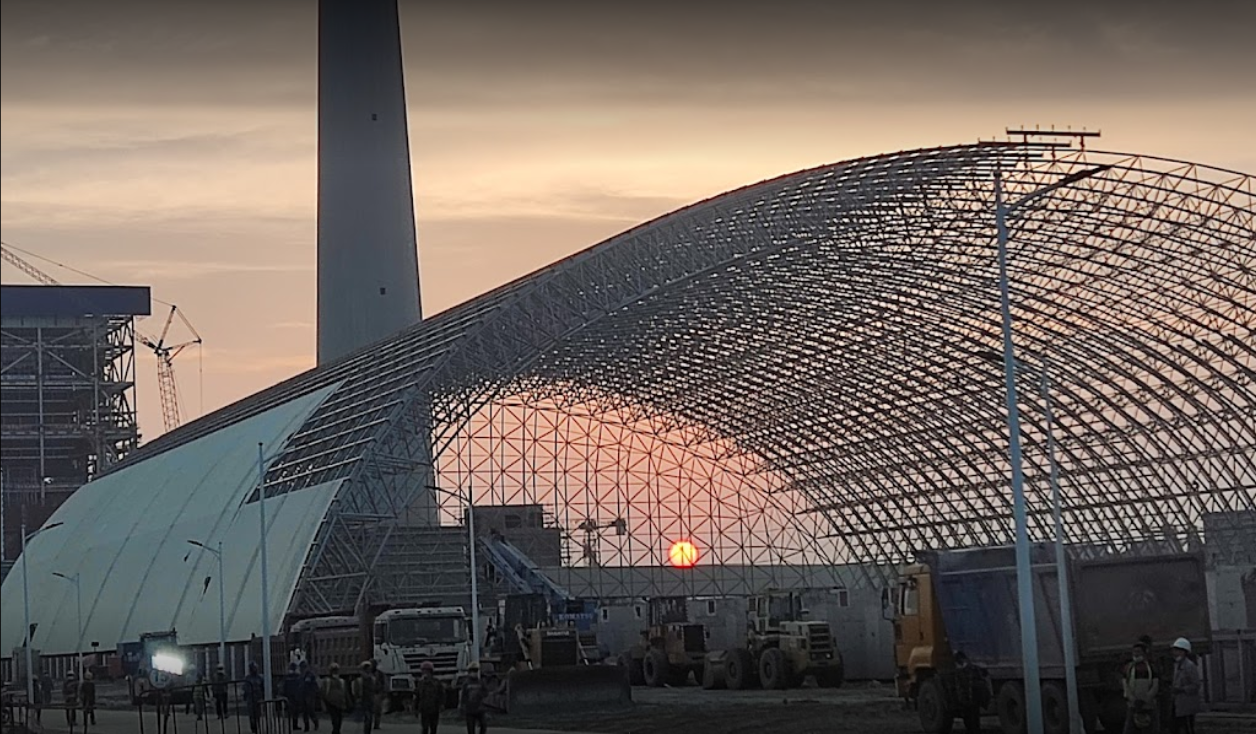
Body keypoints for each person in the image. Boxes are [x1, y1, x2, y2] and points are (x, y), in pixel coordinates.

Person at [1123, 640, 1160, 733]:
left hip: (1149, 706)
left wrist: (1146, 699)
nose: (1136, 654)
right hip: (1133, 706)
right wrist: (1133, 699)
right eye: (1134, 652)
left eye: (1138, 652)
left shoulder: (1152, 667)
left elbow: (1155, 685)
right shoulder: (1128, 668)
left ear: (1144, 653)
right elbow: (1125, 685)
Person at [952, 652, 990, 734]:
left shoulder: (960, 672)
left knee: (969, 719)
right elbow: (984, 675)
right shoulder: (975, 668)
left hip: (967, 699)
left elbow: (960, 687)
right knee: (975, 717)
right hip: (975, 698)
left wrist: (962, 699)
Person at [1169, 638, 1202, 734]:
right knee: (1174, 727)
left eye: (1177, 651)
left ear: (1184, 652)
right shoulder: (1177, 665)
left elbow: (1196, 685)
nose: (1175, 653)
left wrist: (1181, 689)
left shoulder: (1190, 666)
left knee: (1188, 728)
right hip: (1178, 703)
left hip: (1187, 704)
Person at [414, 661, 445, 734]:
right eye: (423, 671)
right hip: (424, 709)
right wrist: (416, 709)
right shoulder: (420, 683)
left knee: (433, 728)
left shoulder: (436, 682)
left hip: (434, 709)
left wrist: (441, 704)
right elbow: (417, 696)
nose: (425, 673)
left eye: (426, 671)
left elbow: (442, 694)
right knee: (424, 728)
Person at [460, 663, 489, 734]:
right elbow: (463, 696)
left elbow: (486, 692)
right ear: (469, 672)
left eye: (476, 671)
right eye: (473, 671)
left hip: (480, 708)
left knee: (484, 725)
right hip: (470, 710)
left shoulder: (481, 682)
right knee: (471, 729)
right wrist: (462, 707)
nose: (475, 673)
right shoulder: (466, 683)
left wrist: (481, 695)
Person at [320, 663, 349, 734]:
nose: (335, 672)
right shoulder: (327, 681)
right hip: (331, 703)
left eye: (336, 670)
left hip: (340, 703)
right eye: (333, 670)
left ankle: (337, 731)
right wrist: (324, 703)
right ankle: (335, 731)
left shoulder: (341, 681)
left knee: (339, 719)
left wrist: (347, 702)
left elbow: (345, 692)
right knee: (335, 719)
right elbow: (323, 692)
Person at [351, 661, 377, 733]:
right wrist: (357, 699)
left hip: (370, 701)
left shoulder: (373, 679)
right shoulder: (359, 680)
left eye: (369, 668)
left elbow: (375, 689)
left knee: (369, 718)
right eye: (367, 668)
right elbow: (355, 691)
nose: (368, 670)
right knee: (366, 718)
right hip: (362, 701)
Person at [244, 661, 265, 734]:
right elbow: (245, 688)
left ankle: (257, 726)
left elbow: (262, 687)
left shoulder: (260, 677)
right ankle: (253, 727)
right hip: (250, 698)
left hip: (258, 698)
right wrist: (245, 696)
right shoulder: (247, 678)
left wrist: (263, 696)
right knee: (251, 714)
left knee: (258, 714)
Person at [299, 660, 320, 731]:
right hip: (304, 695)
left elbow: (308, 684)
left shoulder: (310, 675)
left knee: (310, 710)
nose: (302, 669)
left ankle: (315, 723)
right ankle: (306, 726)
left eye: (303, 667)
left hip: (310, 694)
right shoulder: (302, 675)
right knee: (305, 711)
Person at [284, 662, 305, 729]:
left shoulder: (287, 677)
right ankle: (294, 725)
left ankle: (292, 725)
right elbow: (301, 686)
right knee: (296, 712)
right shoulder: (298, 676)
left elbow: (284, 687)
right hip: (296, 696)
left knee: (291, 711)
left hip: (289, 696)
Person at [370, 659, 385, 728]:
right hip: (369, 693)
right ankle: (368, 723)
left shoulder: (380, 673)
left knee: (377, 710)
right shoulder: (367, 673)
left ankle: (377, 724)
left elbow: (383, 683)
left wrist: (382, 692)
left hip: (377, 693)